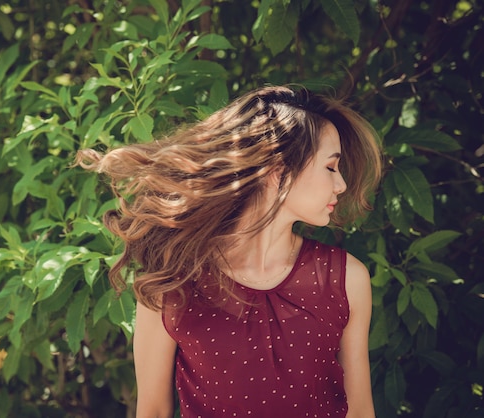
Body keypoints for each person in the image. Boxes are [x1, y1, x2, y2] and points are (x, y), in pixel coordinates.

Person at [76, 85, 382, 418]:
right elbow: (152, 412)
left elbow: (360, 411)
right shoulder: (173, 280)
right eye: (330, 167)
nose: (342, 185)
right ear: (277, 170)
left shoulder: (347, 280)